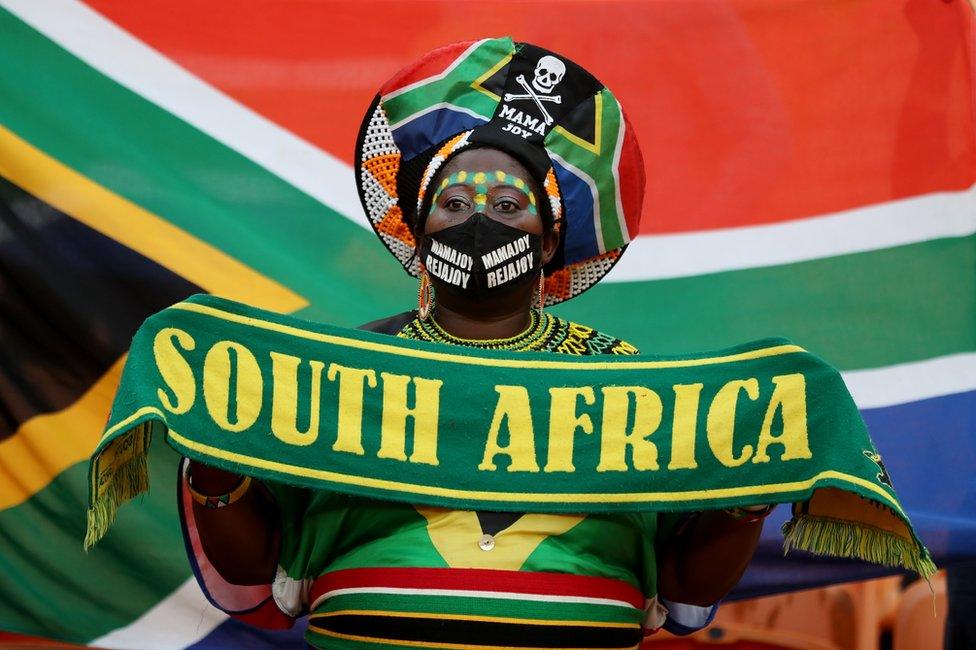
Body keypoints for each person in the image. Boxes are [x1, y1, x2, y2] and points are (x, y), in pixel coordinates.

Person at [179, 38, 772, 649]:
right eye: (453, 203)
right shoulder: (345, 368)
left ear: (547, 246)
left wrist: (751, 497)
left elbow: (685, 587)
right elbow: (253, 569)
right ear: (420, 233)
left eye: (509, 205)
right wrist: (215, 461)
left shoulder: (623, 380)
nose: (477, 221)